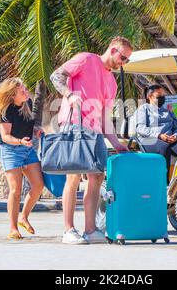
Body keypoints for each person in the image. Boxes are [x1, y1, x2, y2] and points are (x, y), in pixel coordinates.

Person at [50, 36, 132, 244]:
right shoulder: (86, 59)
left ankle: (90, 229)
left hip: (94, 132)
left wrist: (116, 143)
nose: (124, 63)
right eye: (123, 57)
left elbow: (105, 117)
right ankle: (68, 230)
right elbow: (56, 75)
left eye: (127, 60)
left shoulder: (112, 82)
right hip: (74, 125)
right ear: (113, 50)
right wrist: (69, 95)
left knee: (96, 177)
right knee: (74, 177)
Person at [0, 78, 45, 240]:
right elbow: (5, 136)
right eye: (22, 91)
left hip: (27, 149)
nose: (26, 92)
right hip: (10, 150)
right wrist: (20, 141)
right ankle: (13, 228)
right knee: (15, 190)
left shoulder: (26, 105)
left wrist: (36, 131)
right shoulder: (7, 111)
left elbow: (26, 126)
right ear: (13, 94)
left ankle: (23, 217)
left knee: (38, 185)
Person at [135, 85, 177, 179]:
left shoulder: (168, 112)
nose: (162, 97)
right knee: (164, 145)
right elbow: (141, 128)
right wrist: (159, 135)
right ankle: (163, 180)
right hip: (150, 140)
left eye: (163, 95)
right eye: (159, 95)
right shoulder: (144, 109)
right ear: (150, 97)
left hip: (169, 140)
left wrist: (176, 136)